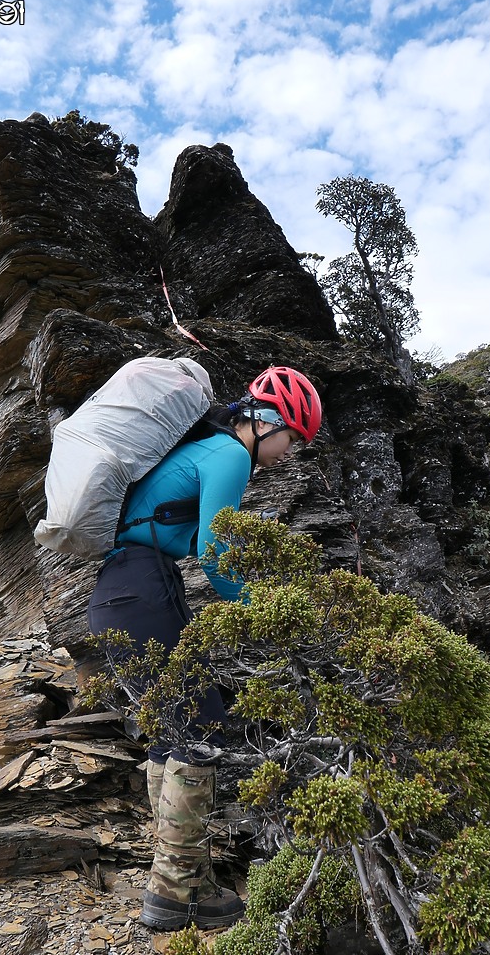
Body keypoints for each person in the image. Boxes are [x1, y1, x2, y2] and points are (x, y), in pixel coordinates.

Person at [86, 365, 322, 931]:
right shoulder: (230, 456)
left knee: (173, 730)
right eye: (295, 438)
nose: (292, 453)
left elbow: (190, 537)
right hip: (145, 590)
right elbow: (217, 557)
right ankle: (176, 889)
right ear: (267, 422)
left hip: (114, 594)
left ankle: (174, 878)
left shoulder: (200, 454)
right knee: (202, 728)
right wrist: (269, 615)